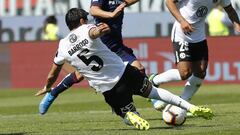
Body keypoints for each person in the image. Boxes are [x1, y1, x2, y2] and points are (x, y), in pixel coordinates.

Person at [36, 8, 213, 130]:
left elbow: (53, 73)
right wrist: (100, 30)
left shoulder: (62, 46)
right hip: (126, 73)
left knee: (124, 113)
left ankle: (131, 115)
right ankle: (188, 106)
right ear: (82, 20)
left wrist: (48, 87)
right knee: (154, 92)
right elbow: (93, 32)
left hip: (109, 89)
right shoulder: (87, 28)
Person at [35, 0, 146, 115]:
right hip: (103, 43)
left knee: (140, 69)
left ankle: (147, 98)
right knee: (79, 75)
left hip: (116, 44)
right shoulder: (92, 15)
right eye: (85, 19)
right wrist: (112, 15)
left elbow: (125, 2)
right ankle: (52, 94)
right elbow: (93, 10)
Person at [149, 0, 240, 111]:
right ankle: (154, 81)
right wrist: (182, 21)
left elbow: (230, 10)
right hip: (182, 35)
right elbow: (169, 2)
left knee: (201, 71)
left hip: (199, 36)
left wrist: (237, 25)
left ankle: (182, 106)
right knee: (185, 73)